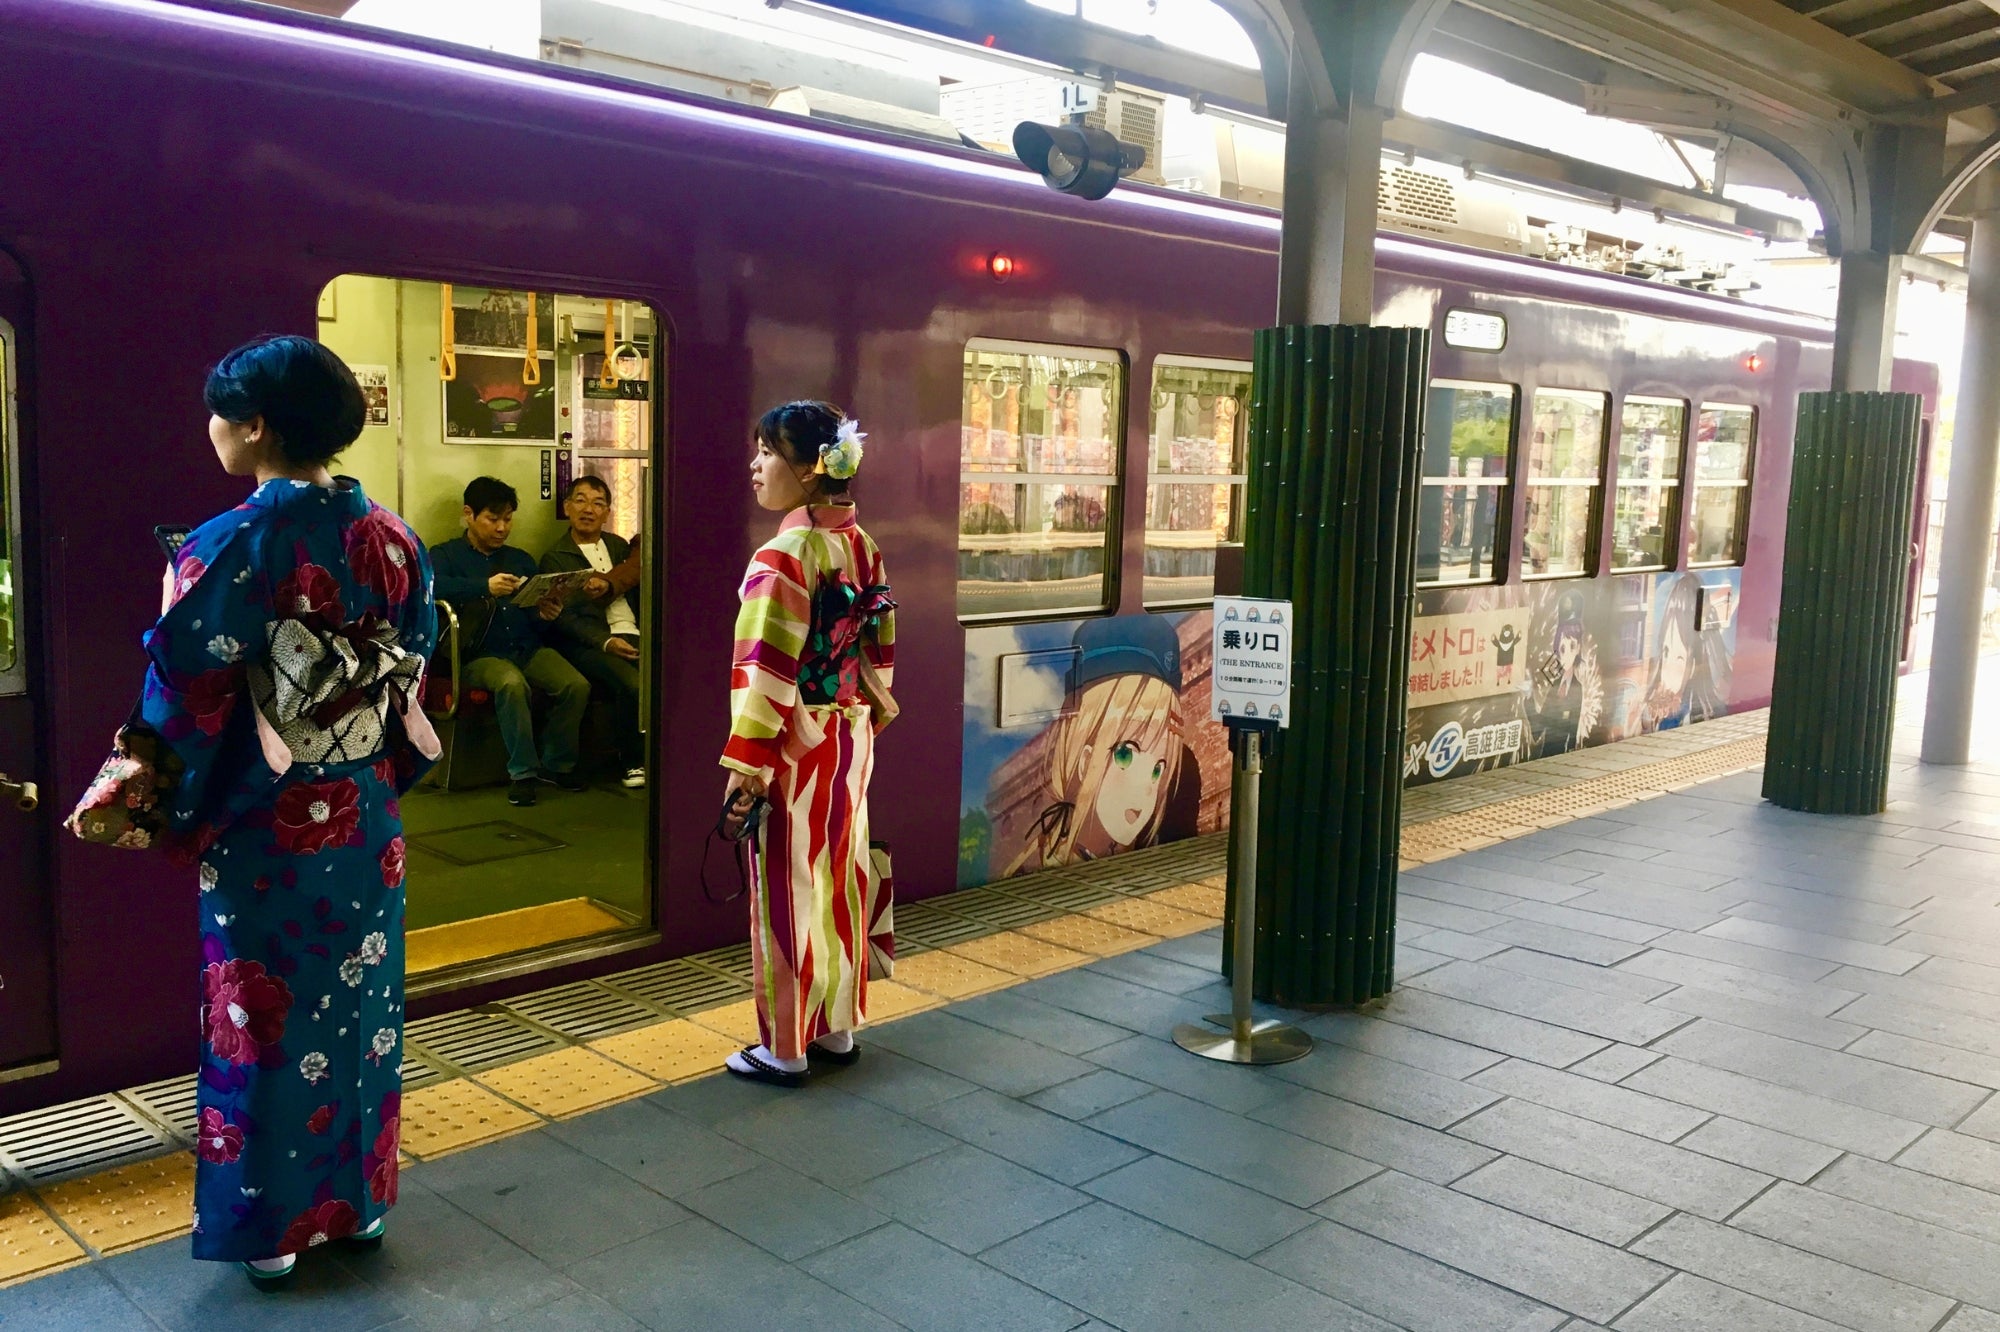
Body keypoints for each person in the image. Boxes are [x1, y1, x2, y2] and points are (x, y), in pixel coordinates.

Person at [119, 336, 437, 1284]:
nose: (211, 427)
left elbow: (184, 693)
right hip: (364, 813)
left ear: (255, 426)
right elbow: (410, 665)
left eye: (221, 412)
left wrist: (157, 798)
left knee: (261, 1020)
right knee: (362, 1012)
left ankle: (274, 1229)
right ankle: (358, 1206)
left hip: (266, 824)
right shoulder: (393, 537)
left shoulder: (229, 544)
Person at [719, 400, 895, 1087]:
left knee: (789, 889)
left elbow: (764, 670)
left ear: (807, 469)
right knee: (840, 880)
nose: (754, 466)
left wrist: (750, 764)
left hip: (794, 743)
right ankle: (840, 1028)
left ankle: (786, 1046)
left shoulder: (784, 553)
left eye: (767, 453)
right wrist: (860, 723)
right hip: (849, 736)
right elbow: (881, 650)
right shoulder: (861, 544)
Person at [428, 477, 591, 806]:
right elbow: (433, 588)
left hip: (526, 647)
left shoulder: (520, 559)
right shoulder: (445, 555)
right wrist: (483, 587)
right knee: (512, 684)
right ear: (469, 515)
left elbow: (532, 614)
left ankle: (557, 763)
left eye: (508, 519)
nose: (502, 528)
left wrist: (546, 612)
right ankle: (523, 772)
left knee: (576, 684)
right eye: (493, 518)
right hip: (478, 654)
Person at [1003, 615, 1188, 877]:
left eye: (1158, 769)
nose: (1148, 788)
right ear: (1085, 759)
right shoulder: (1033, 867)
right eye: (1125, 756)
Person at [540, 475, 644, 788]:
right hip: (587, 643)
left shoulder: (618, 546)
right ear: (567, 507)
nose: (589, 509)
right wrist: (605, 641)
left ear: (608, 511)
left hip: (633, 631)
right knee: (635, 684)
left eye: (598, 503)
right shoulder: (556, 556)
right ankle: (633, 762)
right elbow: (565, 619)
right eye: (581, 501)